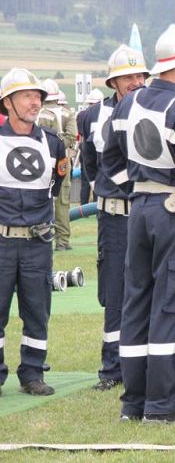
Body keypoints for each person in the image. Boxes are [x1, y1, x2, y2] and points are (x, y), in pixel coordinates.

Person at [103, 24, 175, 423]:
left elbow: (108, 160)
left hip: (139, 212)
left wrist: (134, 188)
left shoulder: (127, 103)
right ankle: (163, 405)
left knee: (136, 303)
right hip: (172, 214)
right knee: (171, 306)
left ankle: (133, 404)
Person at [78, 44, 148, 391]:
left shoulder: (156, 109)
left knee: (152, 285)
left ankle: (150, 362)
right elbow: (91, 164)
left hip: (149, 213)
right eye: (128, 77)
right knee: (115, 290)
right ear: (113, 82)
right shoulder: (91, 117)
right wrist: (107, 192)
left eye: (140, 75)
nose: (135, 82)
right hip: (114, 218)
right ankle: (112, 368)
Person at [0, 68, 67, 396]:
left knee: (37, 310)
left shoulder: (53, 144)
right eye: (27, 95)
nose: (35, 101)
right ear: (8, 102)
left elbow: (55, 189)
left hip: (37, 243)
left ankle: (33, 372)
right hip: (0, 241)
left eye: (38, 96)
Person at [37, 79, 77, 251]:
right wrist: (59, 148)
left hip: (40, 163)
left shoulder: (37, 114)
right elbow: (72, 136)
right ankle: (63, 241)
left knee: (39, 199)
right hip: (62, 162)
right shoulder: (67, 114)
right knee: (62, 202)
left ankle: (41, 237)